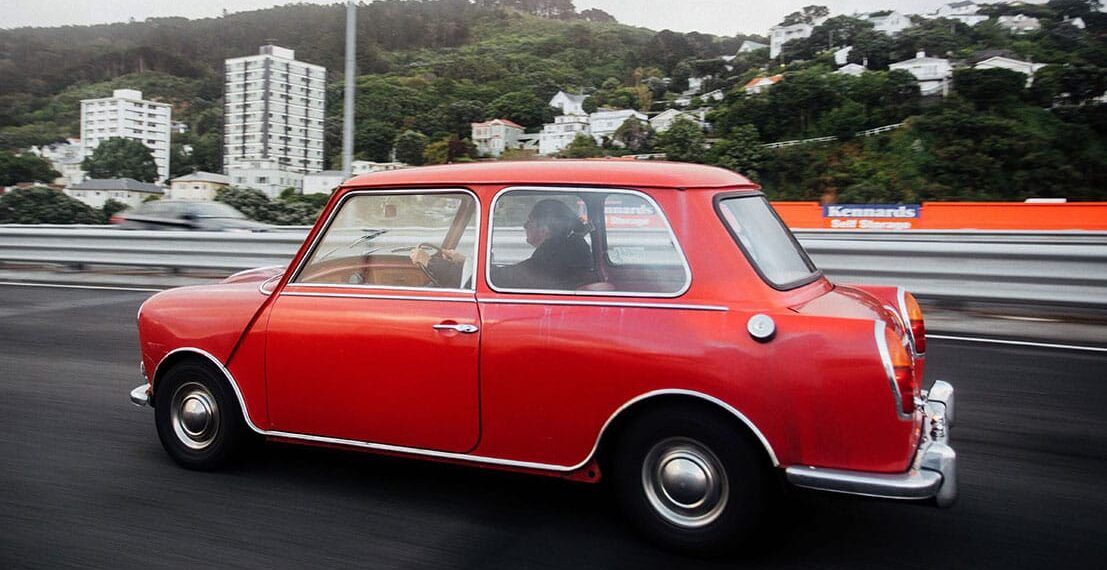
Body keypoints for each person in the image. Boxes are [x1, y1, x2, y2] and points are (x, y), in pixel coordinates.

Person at [411, 198, 594, 290]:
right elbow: (513, 275)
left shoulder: (551, 259)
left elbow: (499, 280)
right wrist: (465, 261)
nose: (524, 226)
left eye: (529, 222)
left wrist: (431, 263)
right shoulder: (566, 251)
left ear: (544, 229)